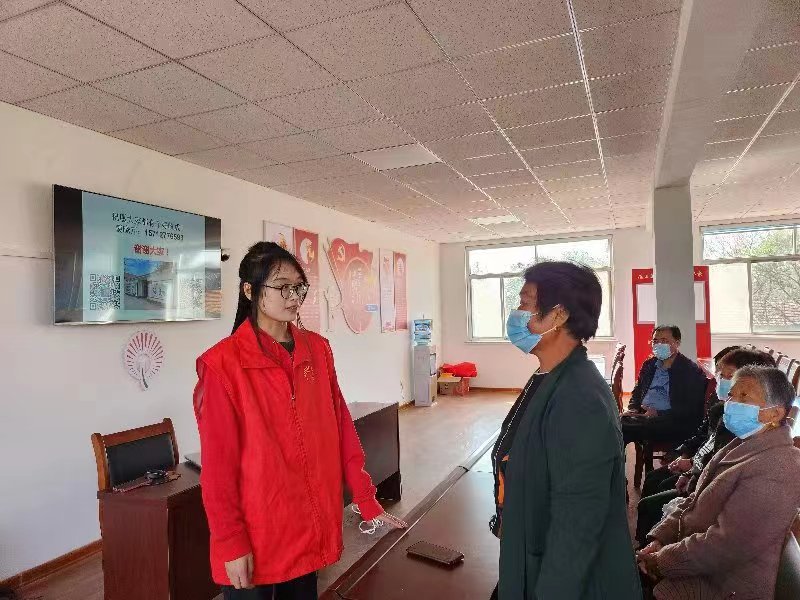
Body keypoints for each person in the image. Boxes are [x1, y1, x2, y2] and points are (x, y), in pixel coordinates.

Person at [193, 242, 405, 600]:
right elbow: (218, 467)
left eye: (299, 287)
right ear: (250, 291)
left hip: (309, 526)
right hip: (258, 532)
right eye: (282, 287)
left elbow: (341, 430)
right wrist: (230, 541)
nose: (294, 296)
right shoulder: (223, 365)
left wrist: (366, 498)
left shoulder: (317, 350)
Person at [494, 261, 641, 600]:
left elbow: (577, 524)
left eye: (525, 302)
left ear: (558, 315)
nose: (517, 314)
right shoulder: (550, 377)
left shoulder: (579, 397)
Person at [637, 366, 800, 599]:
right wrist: (661, 538)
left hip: (728, 583)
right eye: (732, 395)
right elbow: (694, 500)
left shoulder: (778, 466)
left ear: (775, 413)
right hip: (702, 561)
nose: (731, 403)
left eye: (744, 396)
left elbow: (728, 545)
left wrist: (662, 561)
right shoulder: (741, 443)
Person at [635, 348, 776, 547]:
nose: (722, 381)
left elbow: (717, 469)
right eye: (721, 375)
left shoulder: (742, 423)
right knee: (654, 480)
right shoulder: (719, 409)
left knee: (652, 501)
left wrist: (692, 469)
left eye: (729, 376)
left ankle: (650, 549)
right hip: (697, 473)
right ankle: (646, 547)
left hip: (703, 487)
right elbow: (702, 439)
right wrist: (684, 454)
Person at [622, 326, 708, 447]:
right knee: (617, 424)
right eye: (655, 341)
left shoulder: (690, 370)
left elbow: (691, 408)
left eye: (664, 341)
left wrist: (658, 413)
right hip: (644, 415)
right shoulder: (649, 365)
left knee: (620, 427)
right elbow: (637, 391)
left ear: (677, 343)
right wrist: (633, 408)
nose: (658, 345)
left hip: (672, 422)